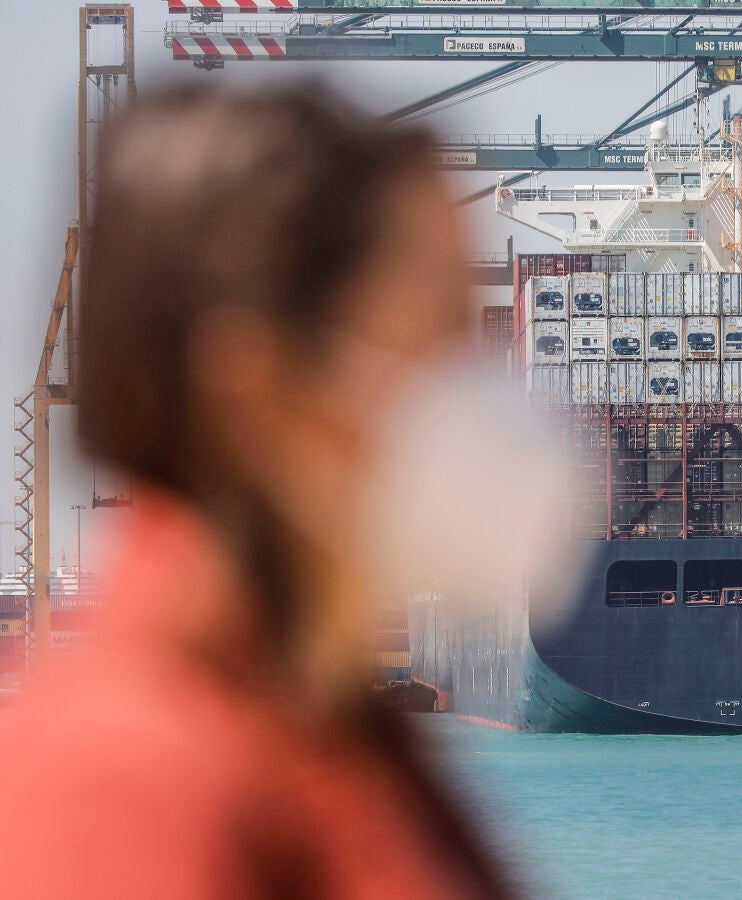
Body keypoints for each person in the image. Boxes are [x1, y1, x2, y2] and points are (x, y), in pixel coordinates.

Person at [0, 85, 547, 899]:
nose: (486, 398)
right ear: (257, 389)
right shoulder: (123, 784)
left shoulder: (328, 729)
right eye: (437, 342)